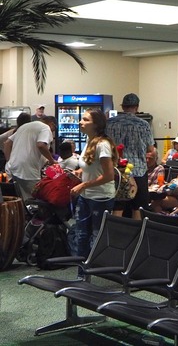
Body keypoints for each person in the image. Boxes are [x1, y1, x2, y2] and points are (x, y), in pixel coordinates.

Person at [70, 110, 118, 257]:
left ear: (96, 125)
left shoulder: (102, 145)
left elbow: (109, 175)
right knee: (81, 236)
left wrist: (83, 185)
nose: (81, 122)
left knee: (96, 237)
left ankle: (97, 270)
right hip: (86, 197)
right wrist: (79, 172)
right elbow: (91, 167)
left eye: (85, 120)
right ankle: (82, 273)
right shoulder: (88, 141)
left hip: (100, 197)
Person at [106, 93, 156, 219]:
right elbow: (150, 149)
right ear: (137, 107)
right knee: (138, 207)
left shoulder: (109, 123)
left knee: (117, 207)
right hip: (138, 170)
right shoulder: (143, 124)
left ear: (123, 107)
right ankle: (137, 236)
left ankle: (115, 234)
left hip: (117, 171)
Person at [4, 116, 56, 202]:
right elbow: (41, 145)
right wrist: (52, 160)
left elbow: (7, 143)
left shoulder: (24, 126)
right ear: (52, 124)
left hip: (13, 168)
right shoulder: (45, 128)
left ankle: (25, 215)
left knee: (25, 200)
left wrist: (9, 160)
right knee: (40, 198)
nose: (53, 132)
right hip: (28, 171)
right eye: (54, 129)